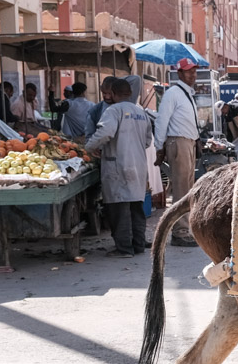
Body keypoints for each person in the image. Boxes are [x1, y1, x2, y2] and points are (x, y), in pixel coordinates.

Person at [86, 78, 155, 257]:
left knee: (119, 209)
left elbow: (105, 132)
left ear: (114, 94)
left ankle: (124, 248)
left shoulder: (113, 110)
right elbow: (148, 141)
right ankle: (138, 245)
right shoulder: (141, 112)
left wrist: (90, 147)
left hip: (118, 164)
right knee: (136, 208)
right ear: (130, 93)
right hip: (138, 165)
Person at [155, 58, 202, 245]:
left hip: (187, 143)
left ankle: (185, 229)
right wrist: (159, 148)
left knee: (188, 188)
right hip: (178, 142)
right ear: (180, 73)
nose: (193, 74)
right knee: (182, 189)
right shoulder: (173, 93)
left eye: (194, 71)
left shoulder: (186, 93)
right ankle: (180, 232)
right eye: (189, 71)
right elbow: (161, 122)